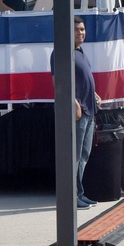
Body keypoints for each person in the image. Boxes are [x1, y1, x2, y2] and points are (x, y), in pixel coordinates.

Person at [51, 16, 101, 208]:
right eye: (76, 30)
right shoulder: (61, 52)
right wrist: (73, 103)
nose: (81, 33)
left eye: (82, 29)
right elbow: (59, 83)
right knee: (74, 156)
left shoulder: (80, 51)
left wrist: (94, 94)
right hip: (77, 113)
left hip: (89, 110)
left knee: (83, 155)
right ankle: (70, 197)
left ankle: (79, 193)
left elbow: (82, 78)